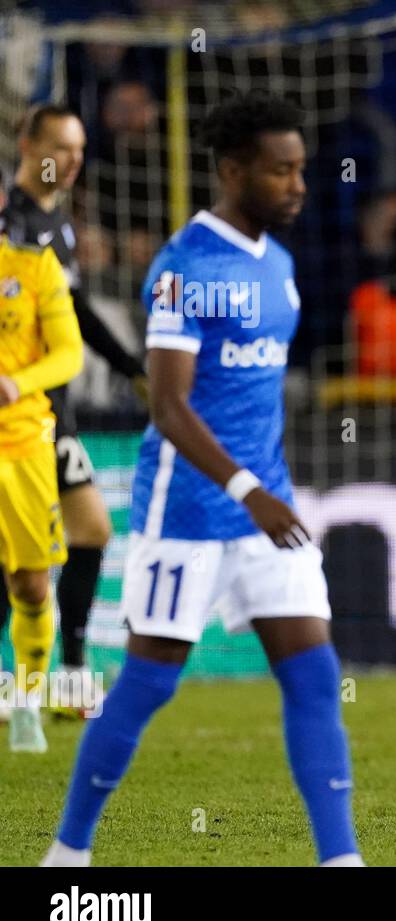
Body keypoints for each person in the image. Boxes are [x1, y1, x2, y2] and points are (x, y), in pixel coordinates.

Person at [42, 91, 362, 867]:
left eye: (301, 171)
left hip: (264, 512)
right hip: (188, 507)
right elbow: (170, 404)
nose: (297, 185)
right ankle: (68, 855)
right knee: (150, 683)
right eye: (280, 171)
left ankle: (340, 859)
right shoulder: (185, 268)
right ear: (232, 170)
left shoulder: (280, 267)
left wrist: (263, 492)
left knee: (315, 675)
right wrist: (245, 489)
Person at [2, 104, 148, 718]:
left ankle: (63, 677)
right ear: (27, 143)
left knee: (86, 531)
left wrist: (133, 369)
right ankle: (50, 678)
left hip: (49, 412)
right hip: (19, 416)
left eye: (80, 150)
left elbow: (78, 313)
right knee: (29, 557)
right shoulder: (11, 226)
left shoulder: (55, 226)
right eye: (59, 148)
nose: (71, 161)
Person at [0, 172, 85, 751]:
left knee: (31, 584)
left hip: (21, 444)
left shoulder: (34, 268)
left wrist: (17, 382)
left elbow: (70, 355)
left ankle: (27, 702)